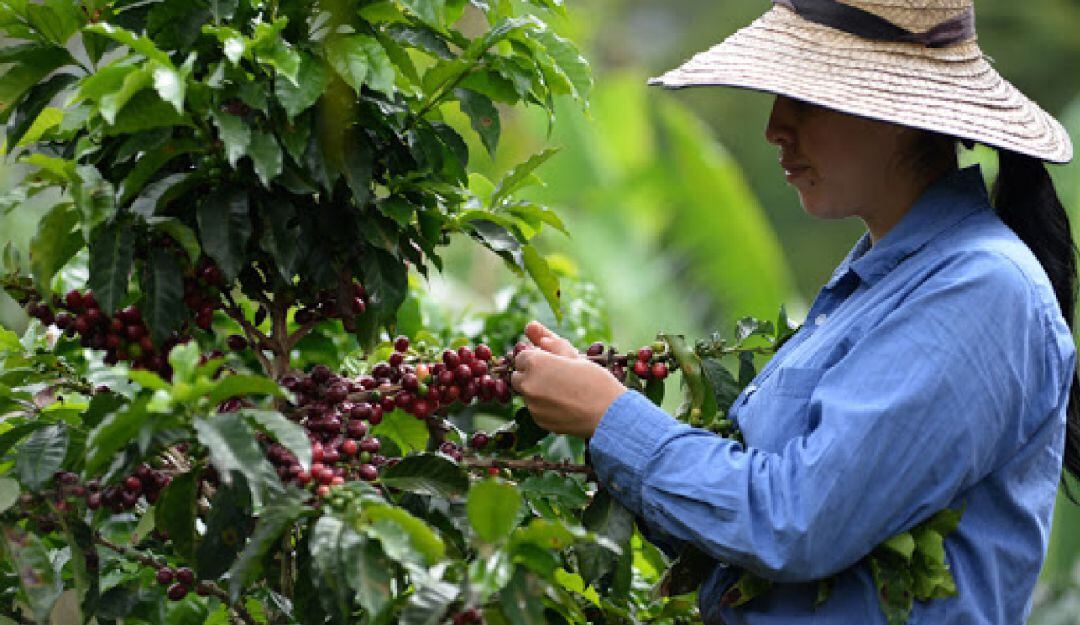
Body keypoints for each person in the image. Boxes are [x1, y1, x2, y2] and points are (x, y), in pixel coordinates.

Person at [508, 0, 1080, 623]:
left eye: (805, 100)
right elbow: (749, 535)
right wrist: (601, 423)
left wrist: (613, 418)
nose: (776, 128)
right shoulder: (877, 281)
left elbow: (797, 522)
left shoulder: (979, 290)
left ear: (897, 115)